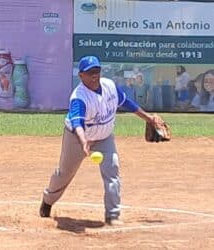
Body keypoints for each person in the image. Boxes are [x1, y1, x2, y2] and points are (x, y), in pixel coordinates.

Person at [39, 55, 164, 226]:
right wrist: (83, 141)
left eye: (97, 71)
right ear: (81, 75)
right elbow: (77, 123)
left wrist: (148, 118)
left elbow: (128, 103)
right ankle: (47, 201)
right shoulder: (79, 97)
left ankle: (112, 215)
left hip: (104, 138)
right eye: (90, 72)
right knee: (64, 174)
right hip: (77, 139)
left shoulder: (109, 86)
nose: (95, 75)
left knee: (112, 170)